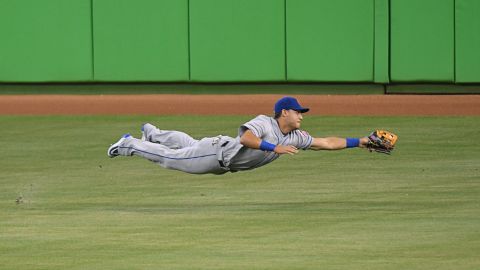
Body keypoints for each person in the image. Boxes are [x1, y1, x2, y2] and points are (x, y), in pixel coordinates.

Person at [107, 96, 371, 175]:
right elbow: (246, 139)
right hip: (217, 154)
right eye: (297, 112)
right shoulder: (265, 123)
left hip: (218, 152)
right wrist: (273, 148)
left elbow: (325, 142)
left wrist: (360, 141)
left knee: (188, 143)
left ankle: (153, 132)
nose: (301, 115)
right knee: (171, 159)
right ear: (283, 113)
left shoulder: (296, 136)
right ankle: (130, 144)